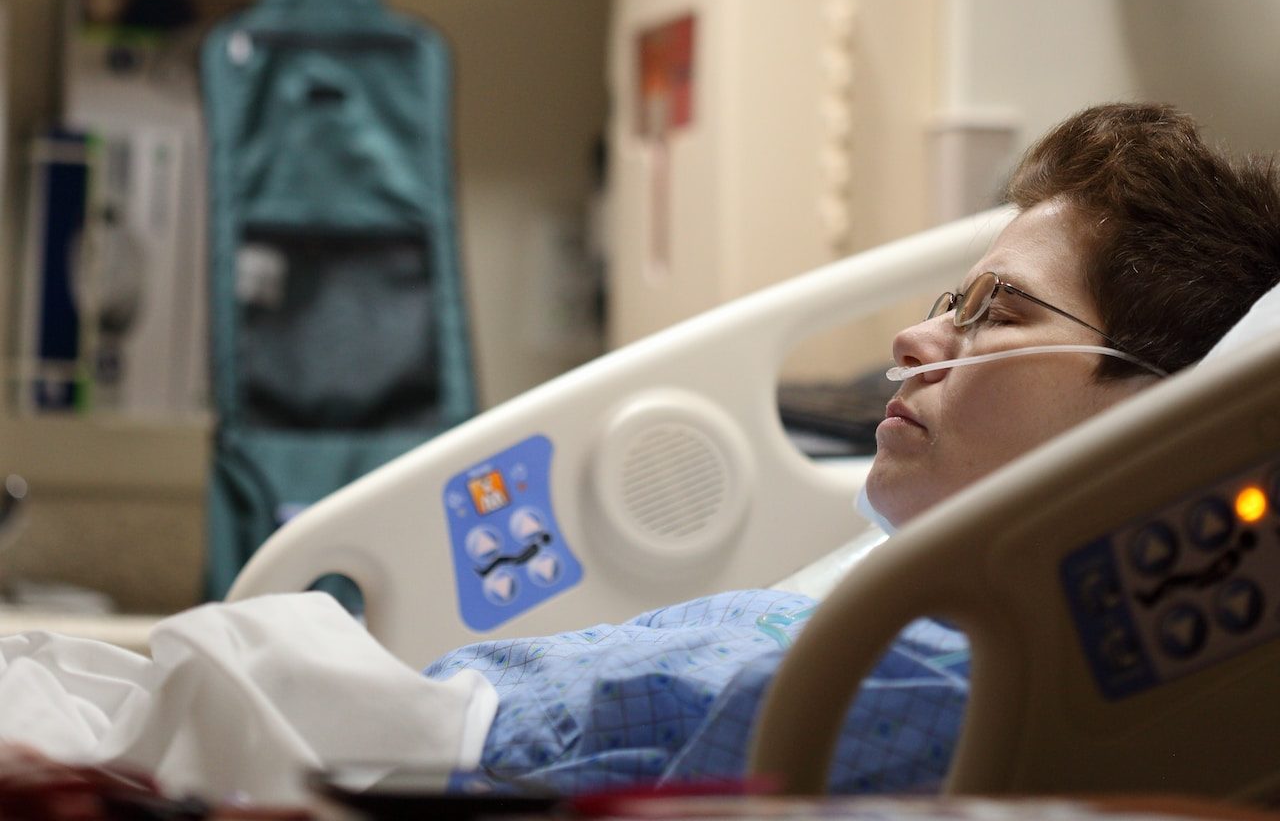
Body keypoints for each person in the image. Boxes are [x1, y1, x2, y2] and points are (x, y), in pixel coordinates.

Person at [427, 102, 1280, 795]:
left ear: (1150, 415)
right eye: (955, 302)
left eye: (999, 312)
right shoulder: (877, 626)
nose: (915, 337)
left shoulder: (929, 692)